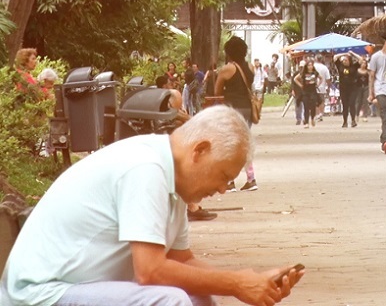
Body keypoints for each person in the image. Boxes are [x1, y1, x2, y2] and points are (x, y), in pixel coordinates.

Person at [0, 106, 304, 306]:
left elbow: (181, 261)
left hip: (76, 288)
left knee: (200, 298)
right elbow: (150, 272)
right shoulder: (145, 169)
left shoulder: (174, 180)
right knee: (170, 302)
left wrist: (252, 281)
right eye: (224, 176)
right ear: (199, 150)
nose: (223, 189)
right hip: (39, 294)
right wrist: (236, 284)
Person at [156, 75, 215, 222]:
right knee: (184, 166)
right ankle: (192, 206)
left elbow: (183, 117)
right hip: (167, 147)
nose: (172, 84)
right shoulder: (161, 103)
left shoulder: (164, 102)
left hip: (170, 144)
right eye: (169, 83)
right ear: (164, 86)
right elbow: (181, 118)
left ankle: (191, 205)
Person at [215, 36, 258, 192]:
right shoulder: (251, 67)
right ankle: (251, 178)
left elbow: (217, 91)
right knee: (244, 144)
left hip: (232, 109)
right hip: (247, 109)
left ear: (228, 52)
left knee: (230, 145)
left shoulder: (227, 69)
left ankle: (230, 181)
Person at [335, 52, 362, 128]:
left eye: (346, 60)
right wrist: (343, 53)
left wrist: (352, 54)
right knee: (345, 105)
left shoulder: (354, 66)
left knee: (352, 103)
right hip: (343, 88)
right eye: (343, 60)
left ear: (349, 60)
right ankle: (345, 121)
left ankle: (353, 120)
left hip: (352, 88)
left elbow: (361, 60)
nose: (344, 61)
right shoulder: (340, 66)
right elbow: (335, 57)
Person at [294, 60, 323, 128]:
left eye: (311, 65)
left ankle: (312, 118)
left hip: (313, 91)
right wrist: (301, 85)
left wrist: (318, 84)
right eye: (309, 65)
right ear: (306, 66)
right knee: (306, 106)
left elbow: (321, 78)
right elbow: (295, 79)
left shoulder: (315, 73)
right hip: (305, 92)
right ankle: (306, 122)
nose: (310, 67)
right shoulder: (303, 73)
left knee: (313, 106)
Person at [313, 55, 331, 121]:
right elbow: (328, 78)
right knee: (321, 101)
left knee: (314, 101)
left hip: (313, 86)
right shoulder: (324, 67)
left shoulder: (313, 66)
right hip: (322, 86)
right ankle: (321, 114)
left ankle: (317, 114)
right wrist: (328, 86)